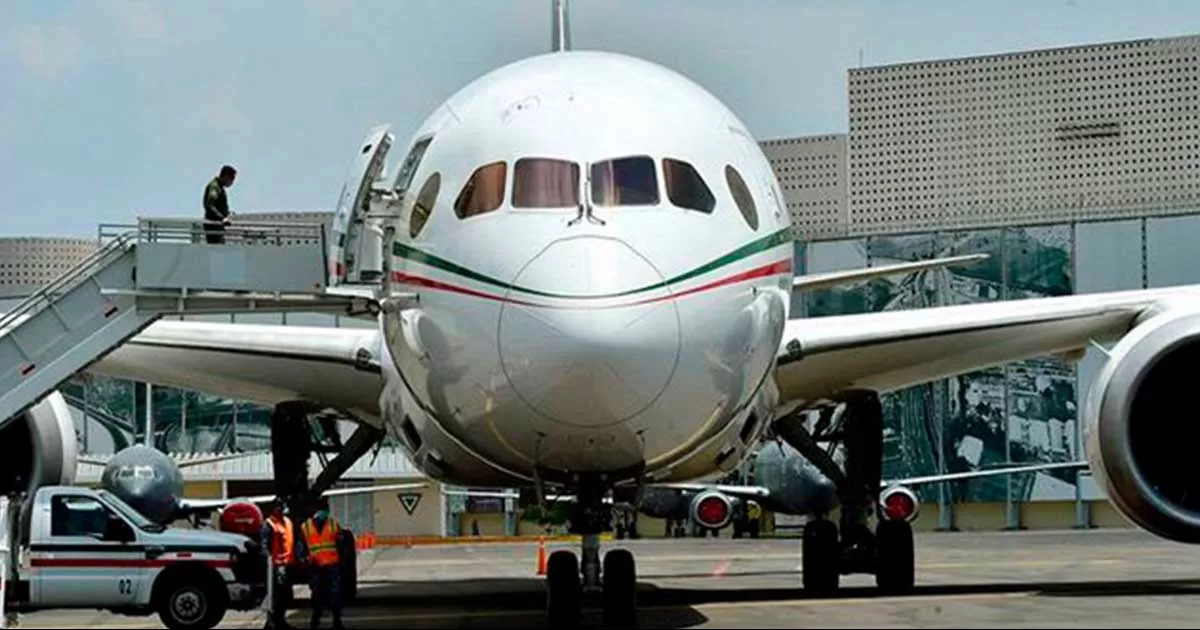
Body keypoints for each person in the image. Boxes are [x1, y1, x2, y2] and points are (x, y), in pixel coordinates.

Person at [297, 498, 345, 630]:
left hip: (319, 566)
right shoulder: (333, 524)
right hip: (327, 566)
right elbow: (342, 546)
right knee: (332, 594)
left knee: (318, 594)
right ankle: (335, 621)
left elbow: (301, 547)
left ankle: (316, 621)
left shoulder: (305, 526)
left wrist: (304, 559)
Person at [261, 500, 296, 629]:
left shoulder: (288, 522)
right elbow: (264, 546)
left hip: (288, 564)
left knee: (286, 596)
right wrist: (269, 562)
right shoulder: (269, 524)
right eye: (280, 507)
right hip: (276, 566)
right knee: (275, 596)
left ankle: (280, 621)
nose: (283, 509)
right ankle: (271, 623)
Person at [203, 165, 237, 244]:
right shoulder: (215, 187)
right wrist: (222, 218)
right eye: (232, 179)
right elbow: (210, 205)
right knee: (216, 251)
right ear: (225, 176)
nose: (232, 182)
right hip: (213, 226)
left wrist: (227, 213)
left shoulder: (220, 187)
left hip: (218, 227)